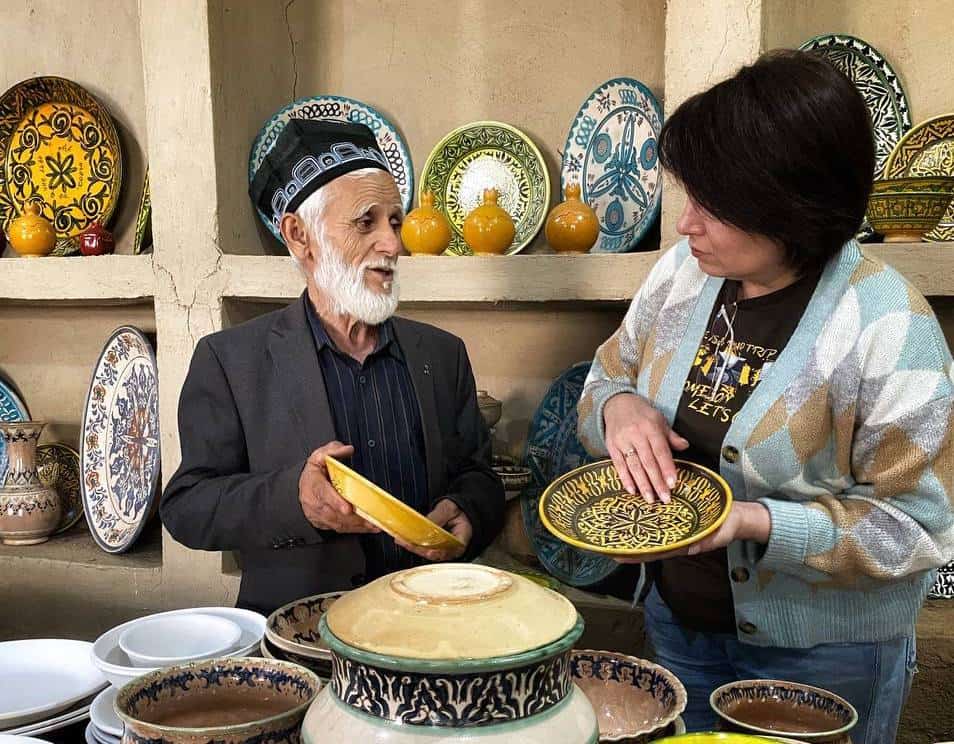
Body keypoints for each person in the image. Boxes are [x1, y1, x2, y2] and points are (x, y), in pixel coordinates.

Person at [577, 50, 954, 743]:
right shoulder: (681, 278)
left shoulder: (889, 325)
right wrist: (616, 407)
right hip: (679, 630)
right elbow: (605, 375)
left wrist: (757, 524)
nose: (686, 224)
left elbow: (920, 531)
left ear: (791, 204)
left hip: (823, 662)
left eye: (712, 206)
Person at [161, 119, 504, 615]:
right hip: (301, 640)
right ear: (301, 236)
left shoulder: (441, 354)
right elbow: (187, 508)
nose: (394, 245)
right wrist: (293, 499)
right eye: (366, 222)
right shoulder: (231, 361)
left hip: (428, 629)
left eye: (394, 221)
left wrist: (468, 511)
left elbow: (480, 476)